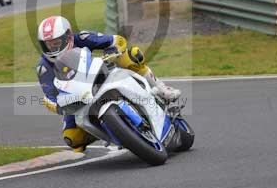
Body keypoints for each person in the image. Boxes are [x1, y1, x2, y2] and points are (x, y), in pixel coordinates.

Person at [36, 15, 181, 152]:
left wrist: (114, 50)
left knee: (132, 54)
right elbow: (50, 96)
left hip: (98, 75)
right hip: (76, 97)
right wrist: (57, 105)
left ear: (68, 36)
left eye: (56, 43)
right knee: (72, 138)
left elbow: (117, 40)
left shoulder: (82, 38)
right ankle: (113, 131)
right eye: (48, 45)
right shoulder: (43, 67)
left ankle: (161, 89)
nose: (52, 48)